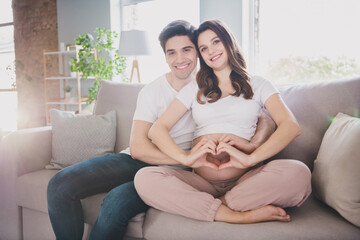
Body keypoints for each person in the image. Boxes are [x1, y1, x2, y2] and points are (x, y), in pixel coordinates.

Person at [47, 20, 274, 240]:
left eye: (187, 49)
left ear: (199, 52)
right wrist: (185, 158)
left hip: (179, 175)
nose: (180, 59)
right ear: (165, 56)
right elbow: (138, 147)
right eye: (171, 52)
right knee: (59, 185)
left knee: (116, 203)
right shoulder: (152, 91)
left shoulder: (218, 84)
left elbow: (262, 116)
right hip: (139, 159)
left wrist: (252, 145)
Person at [134, 19, 312, 224]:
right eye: (203, 48)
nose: (211, 51)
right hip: (201, 181)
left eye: (216, 42)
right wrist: (186, 159)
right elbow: (158, 129)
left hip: (247, 178)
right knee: (145, 178)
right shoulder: (195, 89)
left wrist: (250, 158)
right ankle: (238, 215)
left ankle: (214, 205)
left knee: (299, 173)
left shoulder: (259, 84)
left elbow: (290, 126)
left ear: (229, 42)